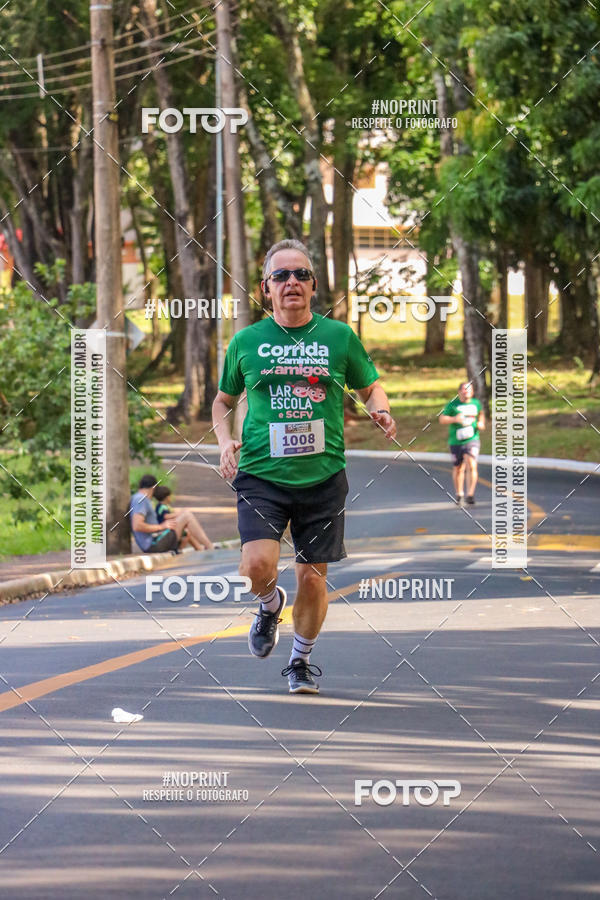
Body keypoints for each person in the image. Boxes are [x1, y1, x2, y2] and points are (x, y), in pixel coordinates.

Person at [212, 239, 396, 694]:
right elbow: (221, 401)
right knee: (257, 564)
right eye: (281, 276)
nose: (291, 282)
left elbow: (372, 387)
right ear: (266, 289)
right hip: (261, 473)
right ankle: (269, 604)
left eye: (300, 275)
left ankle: (299, 660)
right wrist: (223, 441)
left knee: (312, 578)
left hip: (323, 477)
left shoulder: (338, 337)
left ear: (313, 286)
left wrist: (381, 409)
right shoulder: (246, 341)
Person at [130, 475, 214, 553]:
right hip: (153, 543)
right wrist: (161, 526)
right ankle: (210, 547)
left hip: (156, 540)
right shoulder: (140, 499)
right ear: (153, 488)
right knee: (187, 515)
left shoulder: (139, 498)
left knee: (185, 524)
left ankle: (201, 548)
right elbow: (137, 525)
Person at [438, 381, 485, 506]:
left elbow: (481, 414)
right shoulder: (452, 405)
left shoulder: (476, 404)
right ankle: (459, 494)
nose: (466, 392)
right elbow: (442, 419)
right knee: (459, 468)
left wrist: (481, 423)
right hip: (456, 440)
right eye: (464, 390)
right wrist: (454, 419)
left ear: (472, 392)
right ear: (459, 392)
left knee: (471, 464)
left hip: (472, 439)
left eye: (469, 390)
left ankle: (470, 494)